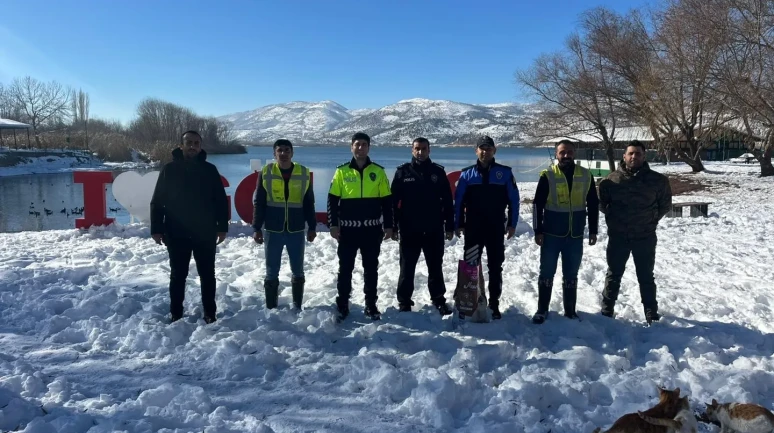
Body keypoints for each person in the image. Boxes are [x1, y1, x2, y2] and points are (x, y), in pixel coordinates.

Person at [150, 130, 229, 324]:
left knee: (207, 274)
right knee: (178, 275)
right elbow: (158, 201)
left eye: (196, 143)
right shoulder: (169, 169)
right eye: (189, 143)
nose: (192, 146)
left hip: (205, 231)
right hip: (176, 231)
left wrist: (222, 227)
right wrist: (156, 228)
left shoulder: (210, 170)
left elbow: (220, 200)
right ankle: (176, 312)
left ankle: (210, 312)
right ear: (181, 146)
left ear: (200, 147)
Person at [599, 140, 672, 324]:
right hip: (618, 236)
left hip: (644, 236)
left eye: (638, 153)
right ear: (624, 156)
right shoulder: (610, 180)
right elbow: (601, 204)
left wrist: (651, 220)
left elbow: (665, 205)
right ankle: (607, 309)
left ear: (644, 156)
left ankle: (650, 312)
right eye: (630, 153)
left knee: (646, 276)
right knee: (613, 273)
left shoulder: (658, 180)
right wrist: (614, 219)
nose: (634, 157)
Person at [530, 139, 599, 324]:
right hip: (551, 234)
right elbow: (537, 205)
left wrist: (593, 230)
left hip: (575, 234)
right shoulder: (548, 175)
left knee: (571, 274)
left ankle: (570, 310)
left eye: (569, 152)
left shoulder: (585, 175)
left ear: (574, 153)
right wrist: (538, 230)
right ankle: (542, 309)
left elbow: (593, 204)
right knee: (547, 272)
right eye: (562, 152)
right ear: (556, 154)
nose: (566, 155)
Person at [328, 132, 394, 320]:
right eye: (357, 144)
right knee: (345, 268)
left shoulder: (378, 171)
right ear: (351, 147)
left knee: (371, 269)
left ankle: (371, 305)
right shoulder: (342, 171)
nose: (360, 148)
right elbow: (332, 200)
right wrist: (333, 225)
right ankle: (342, 304)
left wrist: (389, 226)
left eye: (364, 144)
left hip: (372, 231)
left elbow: (386, 202)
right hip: (348, 231)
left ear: (369, 147)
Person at [454, 135, 520, 320]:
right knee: (470, 266)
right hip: (473, 229)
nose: (485, 151)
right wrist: (458, 223)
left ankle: (494, 303)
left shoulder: (505, 173)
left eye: (489, 148)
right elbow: (458, 202)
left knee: (495, 267)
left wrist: (512, 224)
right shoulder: (466, 174)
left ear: (494, 151)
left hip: (495, 229)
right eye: (482, 148)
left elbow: (514, 201)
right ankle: (469, 302)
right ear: (476, 150)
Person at [390, 137, 454, 315]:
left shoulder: (438, 172)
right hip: (409, 229)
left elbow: (448, 201)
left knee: (435, 266)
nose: (420, 152)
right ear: (412, 150)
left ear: (429, 150)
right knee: (407, 267)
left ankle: (438, 299)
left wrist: (450, 225)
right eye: (417, 149)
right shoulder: (403, 172)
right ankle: (404, 301)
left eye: (424, 149)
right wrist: (393, 226)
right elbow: (393, 202)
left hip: (434, 229)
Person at [252, 139, 316, 310]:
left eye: (287, 150)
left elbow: (309, 203)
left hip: (296, 229)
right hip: (273, 229)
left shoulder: (303, 172)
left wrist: (312, 227)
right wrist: (256, 228)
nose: (283, 153)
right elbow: (259, 202)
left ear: (292, 153)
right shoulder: (266, 172)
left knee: (298, 270)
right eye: (279, 150)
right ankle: (271, 308)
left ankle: (297, 306)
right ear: (274, 154)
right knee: (271, 270)